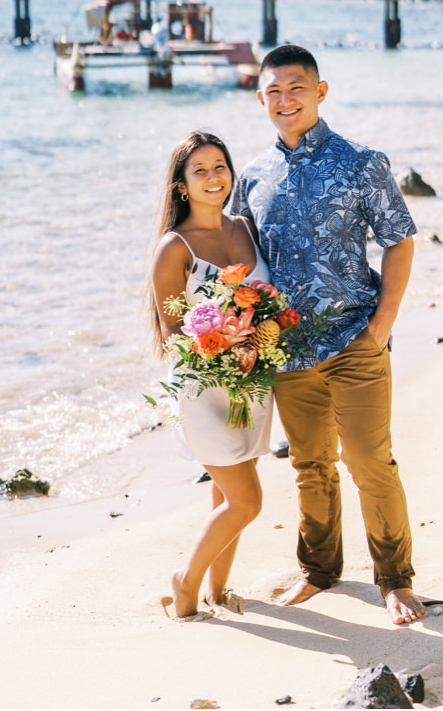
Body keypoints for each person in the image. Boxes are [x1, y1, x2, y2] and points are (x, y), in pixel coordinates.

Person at [231, 44, 423, 625]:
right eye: (273, 91)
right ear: (260, 98)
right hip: (288, 351)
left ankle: (395, 578)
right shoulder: (252, 177)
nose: (284, 100)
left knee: (370, 460)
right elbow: (239, 263)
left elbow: (399, 238)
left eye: (296, 87)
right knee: (310, 464)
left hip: (354, 339)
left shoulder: (361, 162)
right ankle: (319, 570)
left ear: (321, 91)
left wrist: (383, 322)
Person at [149, 131, 272, 619]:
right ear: (181, 185)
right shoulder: (173, 248)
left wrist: (260, 335)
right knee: (247, 501)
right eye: (199, 170)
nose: (212, 177)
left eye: (219, 166)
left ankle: (217, 593)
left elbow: (267, 298)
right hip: (205, 389)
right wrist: (221, 342)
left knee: (228, 494)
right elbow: (173, 329)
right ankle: (185, 581)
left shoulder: (245, 226)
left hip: (253, 383)